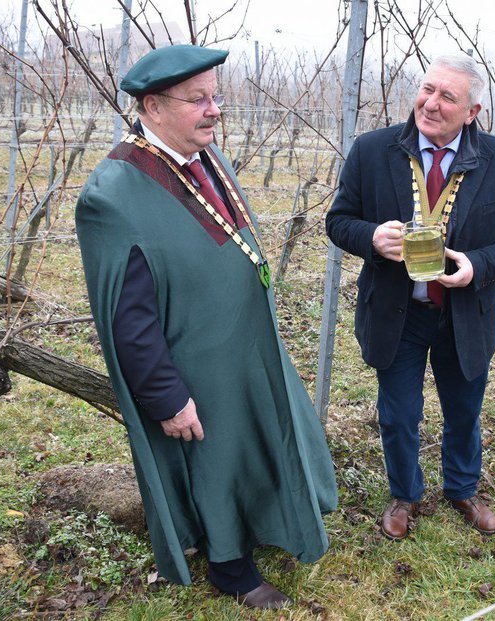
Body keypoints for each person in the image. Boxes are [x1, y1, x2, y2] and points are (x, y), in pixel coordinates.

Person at [75, 45, 337, 608]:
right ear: (152, 105)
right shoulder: (113, 194)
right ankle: (230, 566)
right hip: (195, 366)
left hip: (244, 347)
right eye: (198, 99)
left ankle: (271, 522)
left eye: (215, 95)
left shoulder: (201, 156)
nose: (214, 109)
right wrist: (168, 398)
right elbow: (128, 319)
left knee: (257, 442)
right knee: (214, 461)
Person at [326, 54, 495, 539]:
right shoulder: (372, 149)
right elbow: (339, 220)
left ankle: (462, 488)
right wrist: (371, 238)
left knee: (463, 410)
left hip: (466, 312)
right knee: (399, 413)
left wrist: (479, 266)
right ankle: (404, 493)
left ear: (472, 112)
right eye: (428, 89)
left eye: (448, 96)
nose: (431, 103)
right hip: (396, 312)